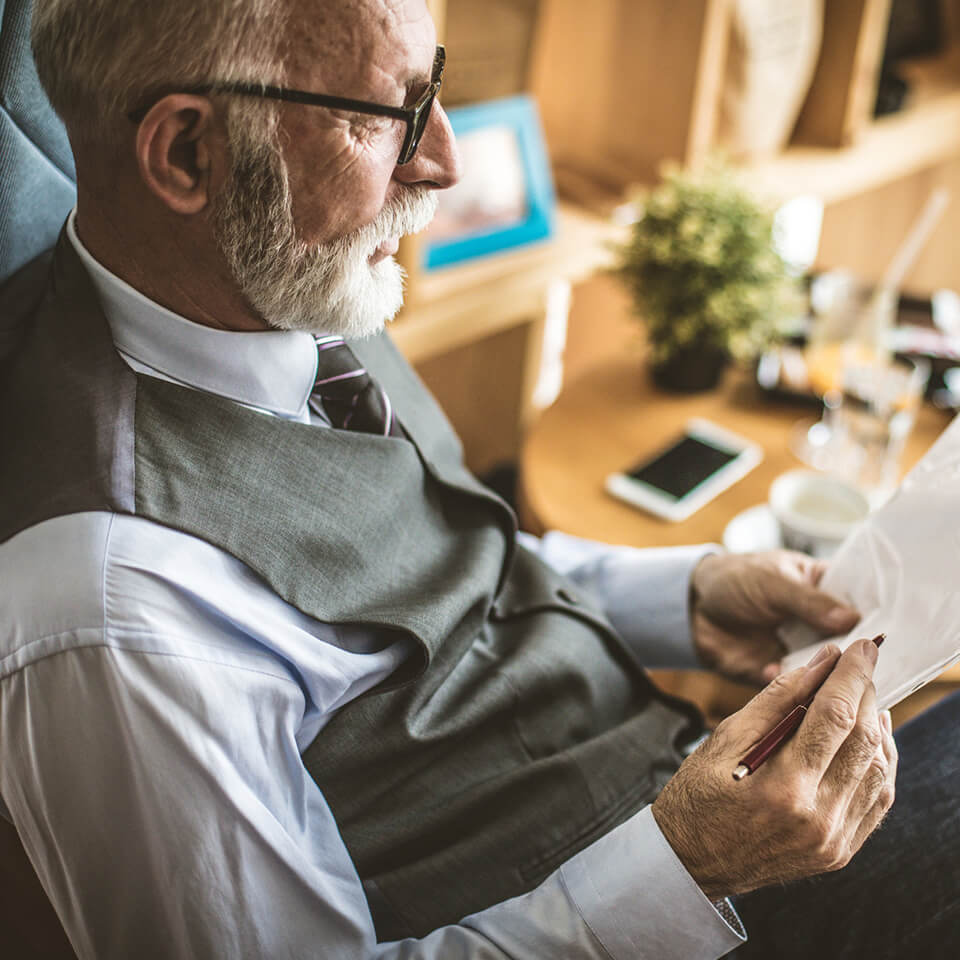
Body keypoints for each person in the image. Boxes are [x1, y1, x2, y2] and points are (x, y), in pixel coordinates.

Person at [0, 1, 956, 957]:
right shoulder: (120, 609)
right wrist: (693, 864)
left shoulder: (262, 282)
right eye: (386, 116)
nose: (445, 162)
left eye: (436, 88)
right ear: (186, 156)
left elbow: (429, 564)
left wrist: (685, 597)